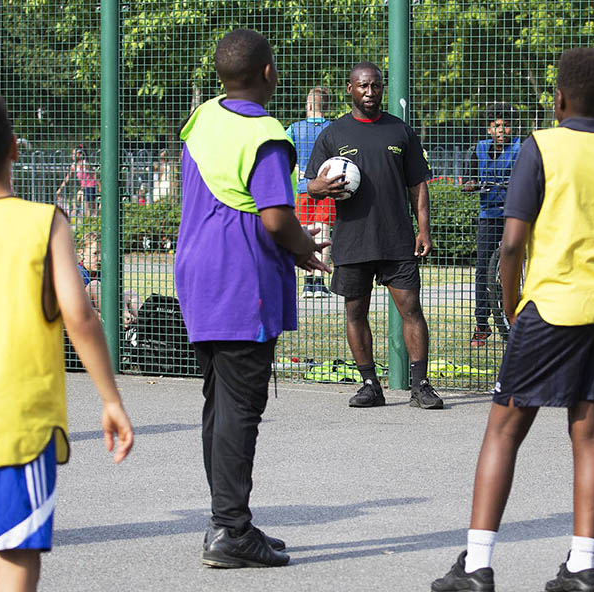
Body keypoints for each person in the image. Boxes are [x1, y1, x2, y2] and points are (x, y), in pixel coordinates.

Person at [432, 47, 594, 592]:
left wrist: (508, 305)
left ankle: (476, 567)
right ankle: (583, 565)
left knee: (503, 429)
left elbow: (512, 242)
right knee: (590, 435)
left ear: (560, 98)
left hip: (551, 307)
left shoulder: (541, 147)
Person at [0, 86, 134, 592]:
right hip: (14, 424)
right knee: (14, 555)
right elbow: (79, 315)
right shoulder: (44, 222)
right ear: (14, 146)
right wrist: (110, 398)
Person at [175, 29, 329, 569]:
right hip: (240, 278)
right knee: (240, 408)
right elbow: (275, 216)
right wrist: (308, 249)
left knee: (219, 403)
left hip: (198, 274)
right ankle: (230, 531)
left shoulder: (203, 116)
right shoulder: (265, 133)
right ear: (268, 72)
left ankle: (227, 519)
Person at [306, 61, 443, 410]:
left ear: (382, 88)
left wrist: (422, 229)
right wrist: (319, 186)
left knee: (411, 309)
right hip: (352, 240)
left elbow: (418, 185)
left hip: (396, 237)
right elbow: (313, 185)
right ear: (350, 89)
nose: (370, 92)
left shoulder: (400, 131)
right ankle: (370, 385)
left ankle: (421, 386)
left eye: (376, 86)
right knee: (355, 312)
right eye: (363, 86)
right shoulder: (333, 134)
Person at [462, 103, 520, 346]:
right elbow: (468, 178)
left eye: (506, 125)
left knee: (517, 266)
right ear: (488, 129)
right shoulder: (479, 149)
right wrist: (470, 184)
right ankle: (482, 324)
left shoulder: (521, 149)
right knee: (484, 268)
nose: (501, 130)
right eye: (496, 126)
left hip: (514, 215)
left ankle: (518, 319)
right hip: (489, 215)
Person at [288, 86, 335, 298]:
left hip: (303, 188)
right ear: (327, 107)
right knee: (323, 229)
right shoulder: (333, 128)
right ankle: (320, 282)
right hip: (327, 186)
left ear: (308, 105)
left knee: (306, 230)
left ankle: (307, 282)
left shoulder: (294, 129)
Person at [56, 146, 98, 218]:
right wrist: (60, 189)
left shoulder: (85, 164)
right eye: (72, 154)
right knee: (76, 201)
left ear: (80, 155)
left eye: (74, 154)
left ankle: (89, 220)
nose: (73, 156)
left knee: (89, 206)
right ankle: (80, 216)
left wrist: (99, 186)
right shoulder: (74, 165)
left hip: (90, 186)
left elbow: (94, 175)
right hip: (84, 187)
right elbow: (67, 178)